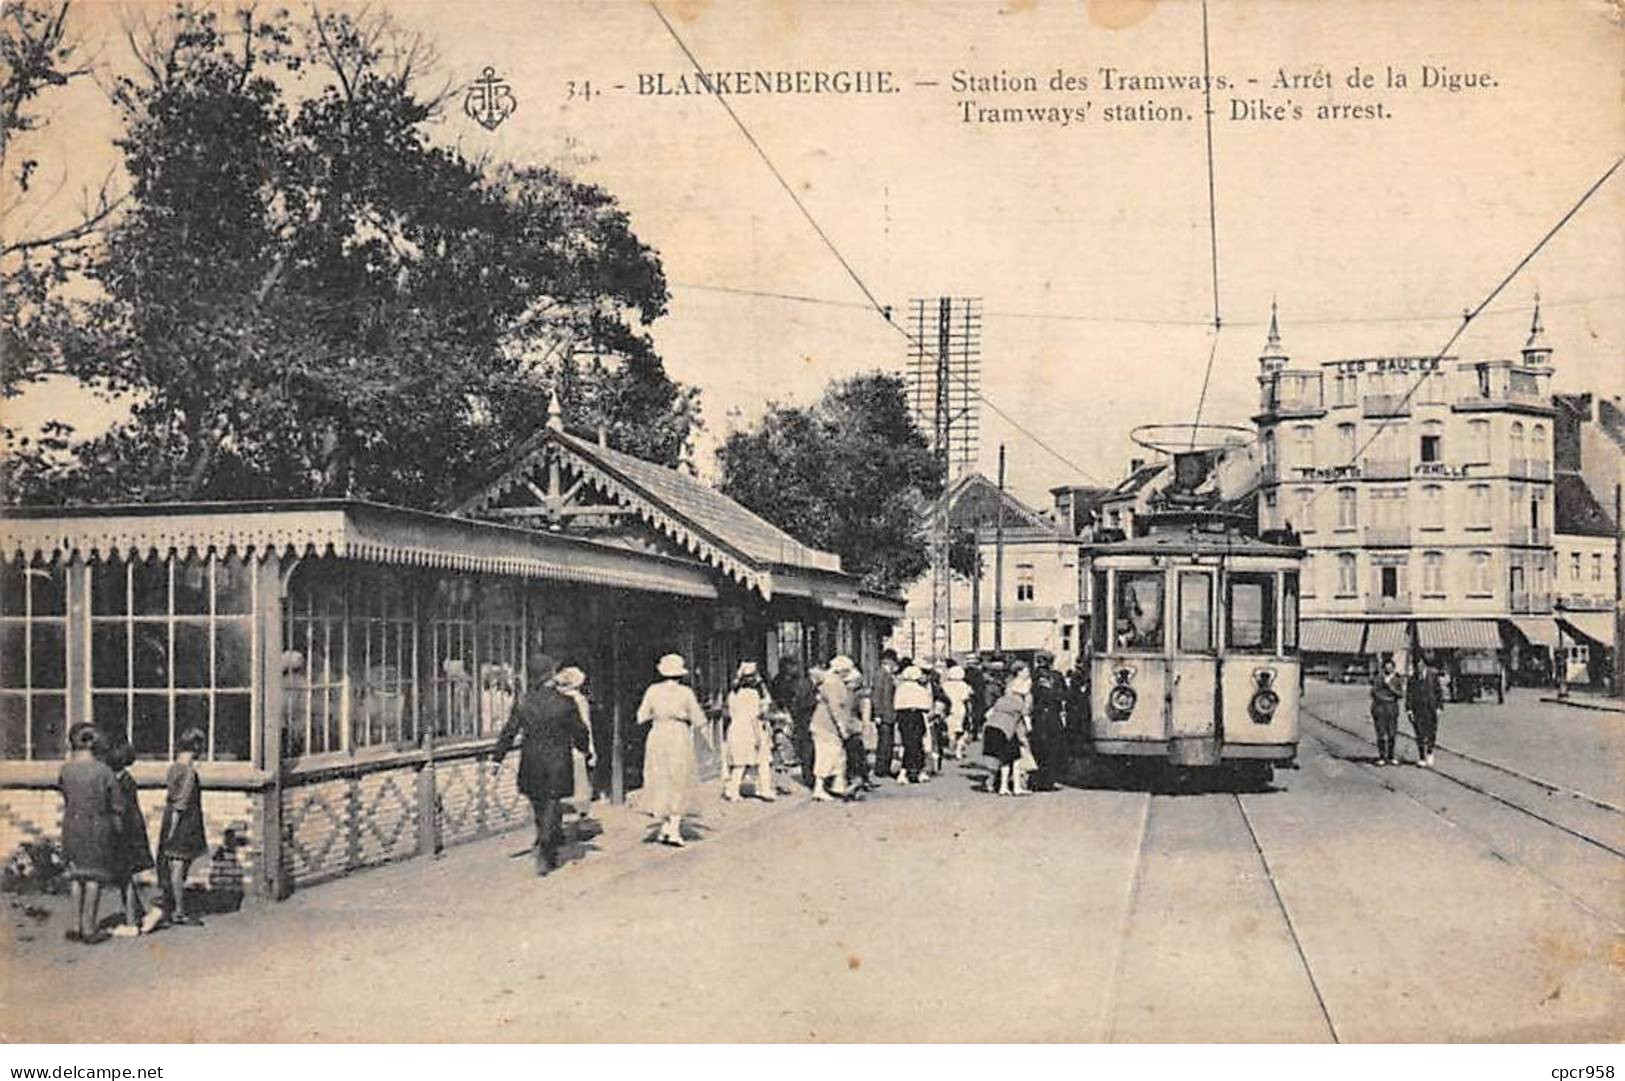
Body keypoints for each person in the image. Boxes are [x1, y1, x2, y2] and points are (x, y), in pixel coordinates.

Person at [492, 652, 591, 873]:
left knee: (538, 803)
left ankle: (545, 841)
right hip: (558, 760)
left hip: (531, 760)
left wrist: (497, 758)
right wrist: (584, 749)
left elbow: (509, 731)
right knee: (553, 803)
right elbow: (580, 730)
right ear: (550, 674)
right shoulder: (565, 702)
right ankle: (547, 847)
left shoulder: (524, 702)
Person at [635, 653, 712, 845]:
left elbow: (641, 716)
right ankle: (674, 828)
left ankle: (665, 826)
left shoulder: (652, 691)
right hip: (678, 734)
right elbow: (699, 719)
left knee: (660, 777)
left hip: (658, 734)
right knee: (679, 778)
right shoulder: (686, 693)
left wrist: (658, 714)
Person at [58, 724, 122, 944]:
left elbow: (65, 796)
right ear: (95, 743)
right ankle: (89, 927)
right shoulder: (104, 771)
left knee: (76, 876)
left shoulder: (66, 770)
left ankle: (75, 925)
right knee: (94, 876)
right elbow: (116, 803)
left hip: (72, 824)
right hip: (97, 826)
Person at [102, 738, 160, 937]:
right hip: (131, 833)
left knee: (125, 877)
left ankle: (132, 922)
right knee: (124, 878)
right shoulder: (125, 779)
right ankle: (140, 913)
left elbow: (120, 810)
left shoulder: (120, 782)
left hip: (124, 835)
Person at [156, 727, 208, 927]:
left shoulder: (173, 767)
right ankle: (179, 910)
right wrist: (173, 830)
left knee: (172, 864)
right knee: (179, 866)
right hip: (184, 822)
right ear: (196, 747)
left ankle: (172, 905)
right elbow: (182, 804)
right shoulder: (189, 773)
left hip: (170, 818)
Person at [724, 661, 777, 802]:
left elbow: (730, 712)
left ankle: (732, 790)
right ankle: (764, 789)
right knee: (763, 760)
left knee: (739, 762)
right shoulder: (754, 694)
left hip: (736, 728)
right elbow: (758, 714)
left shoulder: (733, 693)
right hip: (753, 729)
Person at [553, 666, 598, 833]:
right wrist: (590, 750)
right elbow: (585, 727)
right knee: (578, 785)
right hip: (575, 747)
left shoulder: (555, 699)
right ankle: (577, 824)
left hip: (557, 747)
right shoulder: (578, 700)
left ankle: (558, 825)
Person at [809, 656, 856, 801]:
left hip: (826, 725)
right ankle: (819, 788)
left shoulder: (832, 681)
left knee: (838, 756)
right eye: (846, 671)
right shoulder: (833, 683)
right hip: (826, 725)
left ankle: (838, 785)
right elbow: (835, 707)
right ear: (840, 670)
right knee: (826, 756)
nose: (847, 673)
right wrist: (842, 727)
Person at [983, 669, 1032, 796]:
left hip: (991, 729)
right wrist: (1025, 741)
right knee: (1015, 759)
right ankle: (1016, 787)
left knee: (1002, 759)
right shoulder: (1020, 704)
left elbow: (988, 714)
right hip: (1005, 730)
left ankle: (1000, 786)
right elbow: (1023, 725)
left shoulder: (1001, 700)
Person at [774, 658, 818, 789]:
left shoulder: (797, 681)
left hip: (797, 717)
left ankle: (808, 774)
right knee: (805, 748)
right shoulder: (790, 682)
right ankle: (808, 776)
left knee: (804, 747)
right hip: (799, 717)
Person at [1029, 651, 1068, 790]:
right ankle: (1049, 781)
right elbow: (1064, 695)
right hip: (1053, 716)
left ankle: (1038, 780)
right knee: (1052, 749)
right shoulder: (1057, 676)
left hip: (1038, 716)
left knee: (1038, 748)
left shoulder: (1032, 676)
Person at [892, 664, 932, 785]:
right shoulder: (920, 689)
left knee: (908, 744)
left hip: (903, 717)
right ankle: (916, 771)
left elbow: (896, 705)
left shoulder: (900, 689)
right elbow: (927, 706)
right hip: (917, 717)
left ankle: (905, 772)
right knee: (918, 744)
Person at [842, 664, 876, 792]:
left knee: (857, 753)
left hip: (852, 727)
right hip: (850, 727)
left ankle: (860, 778)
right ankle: (858, 778)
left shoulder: (852, 694)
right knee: (855, 754)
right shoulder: (852, 695)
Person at [1408, 652, 1446, 768]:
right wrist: (1409, 709)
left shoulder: (1432, 676)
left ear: (1424, 665)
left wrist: (1439, 707)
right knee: (1419, 733)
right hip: (1418, 709)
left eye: (1420, 665)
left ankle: (1429, 752)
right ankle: (1421, 756)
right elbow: (1409, 694)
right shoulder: (1413, 678)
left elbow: (1439, 692)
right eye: (1416, 666)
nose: (1419, 668)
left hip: (1431, 708)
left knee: (1431, 732)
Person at [1370, 655, 1405, 766]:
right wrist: (1386, 698)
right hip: (1380, 708)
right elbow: (1374, 693)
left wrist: (1391, 688)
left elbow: (1400, 694)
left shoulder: (1397, 679)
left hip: (1392, 709)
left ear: (1394, 668)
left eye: (1390, 668)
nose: (1388, 670)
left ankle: (1391, 756)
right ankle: (1382, 757)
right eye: (1386, 668)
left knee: (1392, 733)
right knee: (1381, 733)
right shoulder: (1378, 678)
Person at [871, 651, 898, 780]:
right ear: (888, 661)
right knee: (884, 742)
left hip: (889, 714)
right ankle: (881, 768)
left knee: (889, 742)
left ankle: (885, 767)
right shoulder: (880, 674)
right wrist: (877, 714)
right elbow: (877, 695)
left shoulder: (888, 675)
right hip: (884, 714)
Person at [941, 664, 973, 760]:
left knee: (950, 729)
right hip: (960, 709)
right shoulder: (964, 685)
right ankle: (958, 750)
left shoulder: (945, 685)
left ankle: (951, 741)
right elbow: (966, 698)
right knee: (962, 730)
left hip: (948, 709)